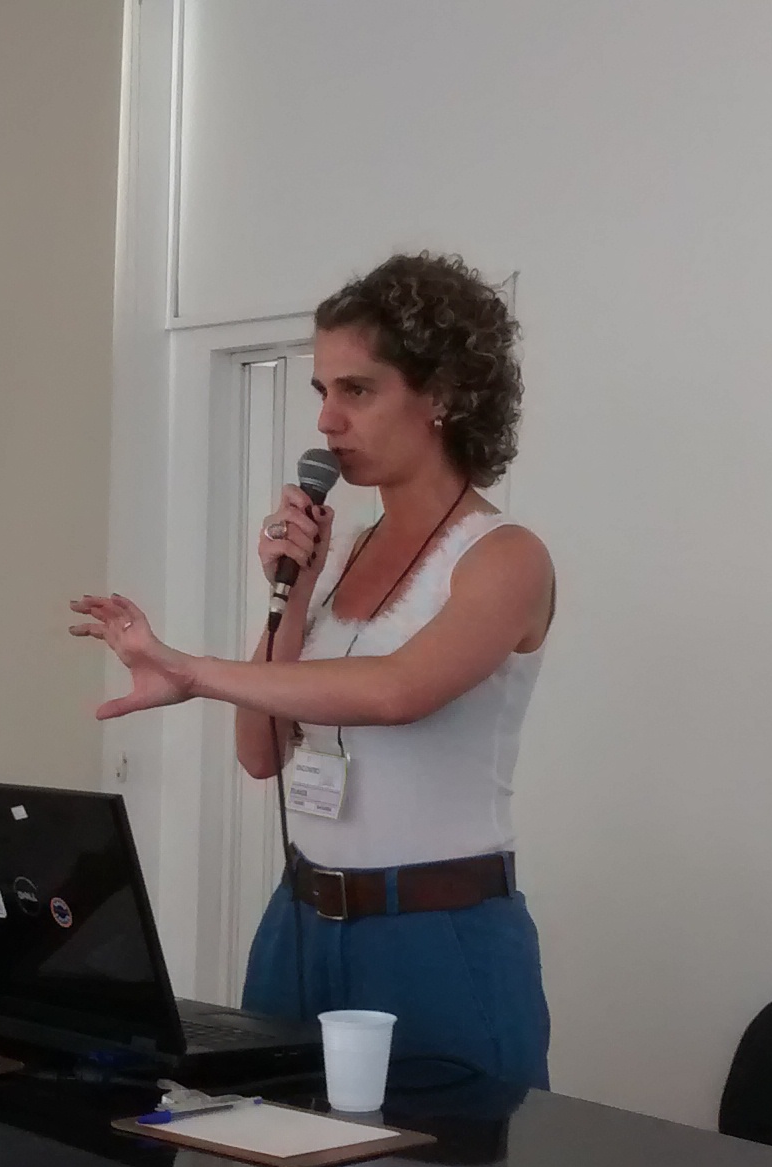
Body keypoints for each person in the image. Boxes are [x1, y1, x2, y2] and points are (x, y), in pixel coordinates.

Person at [70, 252, 555, 1088]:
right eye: (321, 391)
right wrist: (291, 594)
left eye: (357, 391)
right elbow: (261, 754)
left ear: (442, 393)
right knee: (273, 1153)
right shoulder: (347, 551)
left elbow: (397, 691)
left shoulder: (504, 555)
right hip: (300, 919)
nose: (327, 421)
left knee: (447, 1166)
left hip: (434, 932)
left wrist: (192, 670)